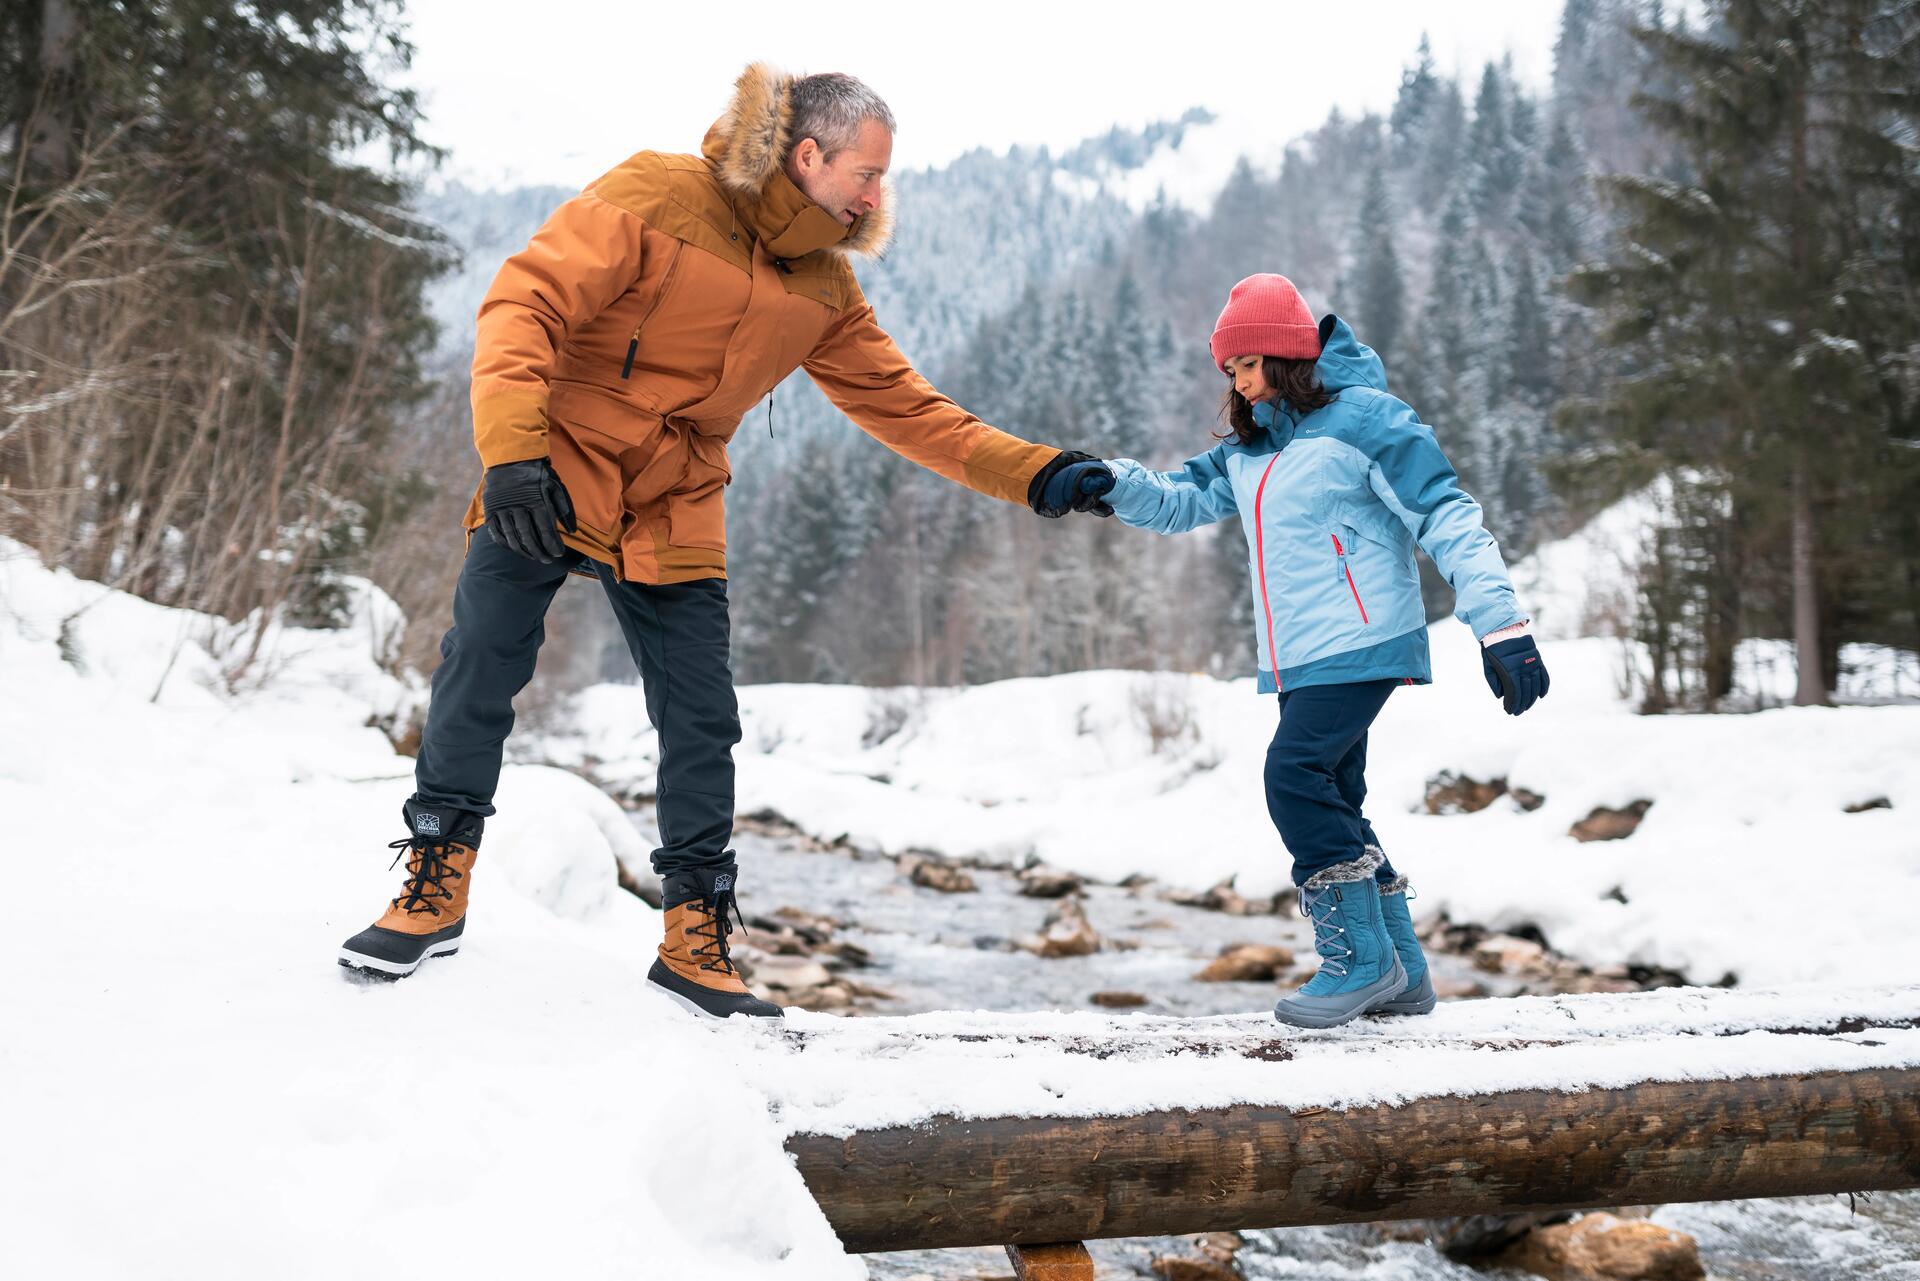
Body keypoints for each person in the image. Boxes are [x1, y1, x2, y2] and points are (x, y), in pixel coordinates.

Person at [337, 64, 1103, 1013]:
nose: (876, 196)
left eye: (882, 179)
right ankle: (434, 882)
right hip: (557, 457)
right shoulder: (656, 193)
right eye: (866, 174)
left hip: (677, 491)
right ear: (808, 153)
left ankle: (694, 936)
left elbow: (910, 409)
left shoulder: (823, 284)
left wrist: (1038, 471)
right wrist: (512, 454)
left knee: (701, 715)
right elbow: (523, 303)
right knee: (482, 661)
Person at [1061, 273, 1550, 1028]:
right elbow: (1179, 498)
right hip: (1298, 655)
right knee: (1334, 795)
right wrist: (1107, 483)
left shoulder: (1368, 422)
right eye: (1230, 371)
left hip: (1363, 638)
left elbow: (1446, 514)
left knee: (1293, 775)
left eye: (1249, 364)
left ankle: (1360, 960)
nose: (1241, 384)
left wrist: (1502, 624)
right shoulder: (1253, 448)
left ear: (1287, 354)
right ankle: (1403, 972)